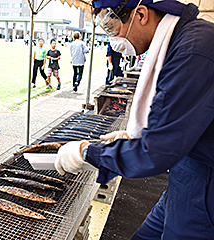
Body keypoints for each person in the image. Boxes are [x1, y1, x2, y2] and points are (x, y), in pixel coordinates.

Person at [55, 0, 214, 239]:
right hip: (186, 170)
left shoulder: (194, 49)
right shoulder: (180, 41)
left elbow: (156, 152)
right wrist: (138, 135)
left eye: (111, 28)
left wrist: (87, 152)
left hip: (205, 180)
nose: (113, 40)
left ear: (140, 14)